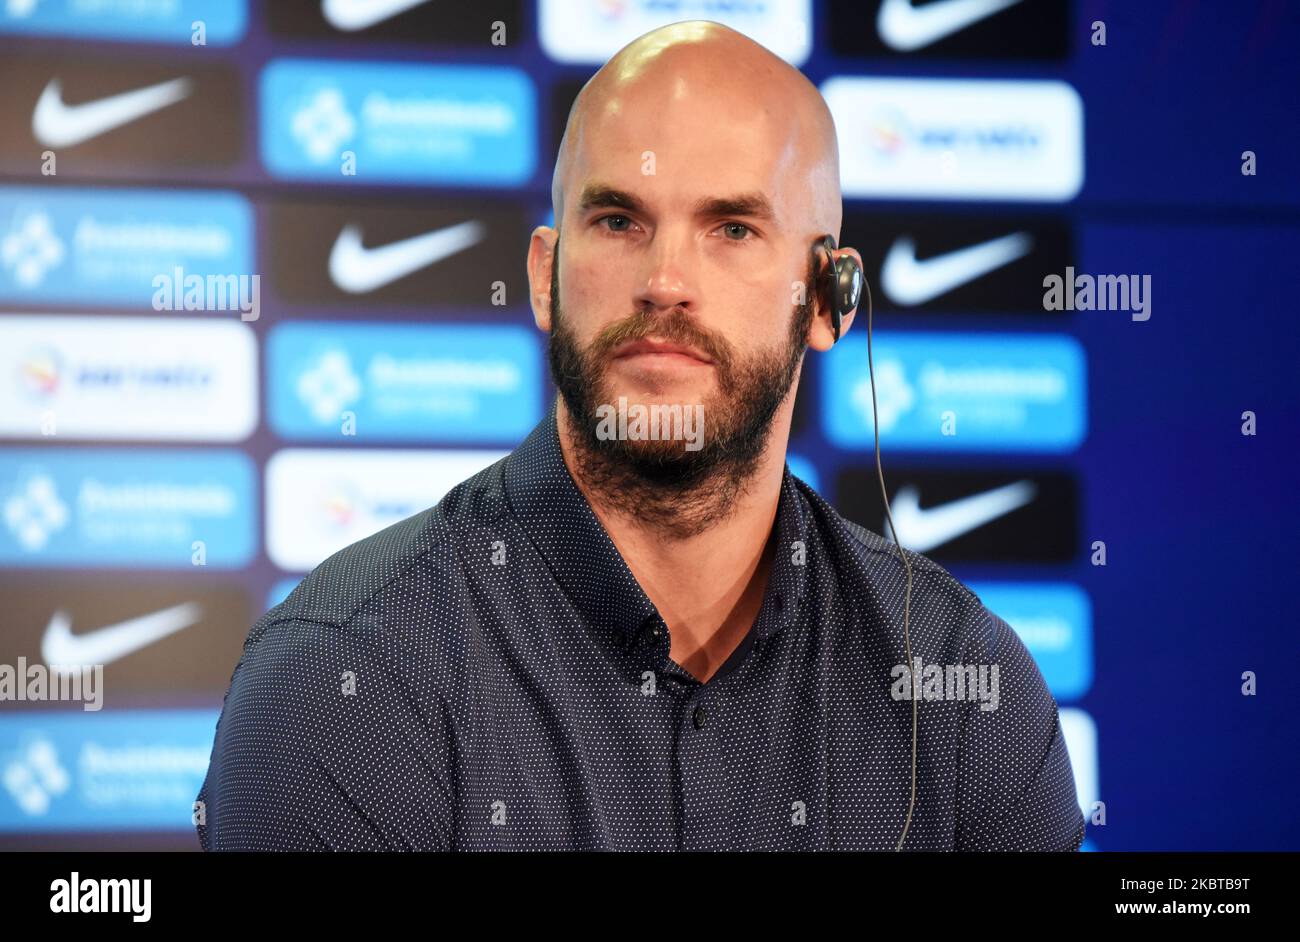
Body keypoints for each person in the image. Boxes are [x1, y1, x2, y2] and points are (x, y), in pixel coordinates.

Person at [195, 20, 1085, 851]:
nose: (665, 281)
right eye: (619, 222)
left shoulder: (965, 691)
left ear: (826, 299)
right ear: (545, 279)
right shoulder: (346, 678)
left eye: (731, 229)